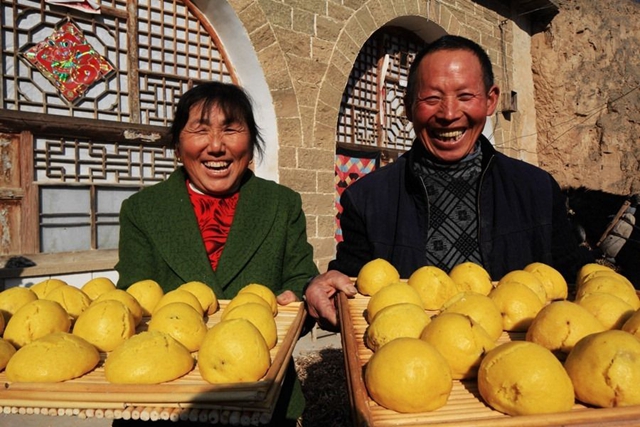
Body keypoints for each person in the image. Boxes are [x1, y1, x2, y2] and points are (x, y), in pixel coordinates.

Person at [304, 35, 594, 330]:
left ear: (491, 100)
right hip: (407, 366)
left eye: (465, 96)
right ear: (407, 107)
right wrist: (323, 290)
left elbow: (573, 281)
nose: (449, 114)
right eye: (432, 99)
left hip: (518, 367)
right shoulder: (367, 199)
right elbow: (351, 288)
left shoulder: (537, 190)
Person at [115, 81, 318, 426]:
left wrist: (296, 301)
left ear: (250, 142)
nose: (216, 146)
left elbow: (301, 277)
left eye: (231, 130)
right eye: (200, 130)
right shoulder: (142, 210)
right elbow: (135, 296)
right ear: (178, 145)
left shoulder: (282, 204)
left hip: (261, 393)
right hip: (166, 399)